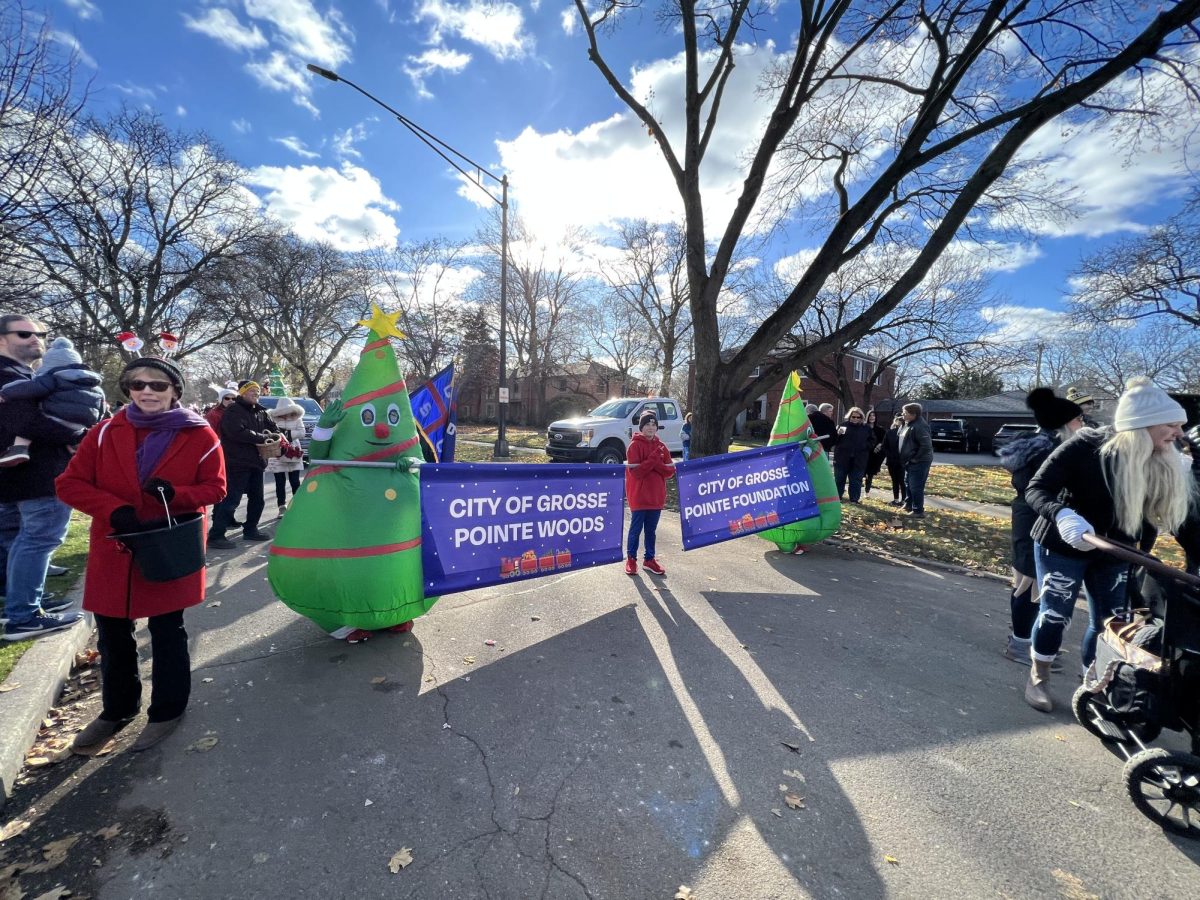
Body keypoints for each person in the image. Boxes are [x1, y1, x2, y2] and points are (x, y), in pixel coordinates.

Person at [57, 356, 225, 751]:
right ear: (128, 389)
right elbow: (69, 483)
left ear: (174, 392)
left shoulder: (200, 435)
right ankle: (117, 709)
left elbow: (216, 488)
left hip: (167, 545)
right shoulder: (104, 431)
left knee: (168, 631)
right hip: (116, 547)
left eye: (158, 385)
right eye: (137, 384)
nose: (147, 391)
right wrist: (111, 507)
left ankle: (167, 710)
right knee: (113, 635)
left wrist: (176, 495)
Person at [1023, 377, 1196, 712]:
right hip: (1064, 542)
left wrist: (1147, 553)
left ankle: (1094, 684)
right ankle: (1039, 676)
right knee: (1055, 613)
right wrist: (1061, 515)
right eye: (1172, 425)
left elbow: (1174, 522)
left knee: (1111, 622)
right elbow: (1037, 488)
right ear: (1142, 425)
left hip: (1116, 551)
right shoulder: (1086, 444)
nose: (1179, 433)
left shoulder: (1160, 458)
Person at [0, 315, 85, 640]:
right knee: (38, 540)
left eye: (40, 334)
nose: (36, 339)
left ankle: (19, 603)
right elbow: (28, 423)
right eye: (25, 334)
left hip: (23, 475)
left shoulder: (24, 376)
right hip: (35, 475)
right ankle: (24, 615)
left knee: (19, 540)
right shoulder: (8, 376)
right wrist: (76, 431)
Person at [998, 388, 1084, 668]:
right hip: (1033, 514)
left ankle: (1033, 640)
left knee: (1040, 581)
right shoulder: (1049, 448)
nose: (1082, 424)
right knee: (1028, 579)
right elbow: (1030, 485)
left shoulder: (1051, 444)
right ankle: (1020, 642)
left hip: (1045, 514)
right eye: (1077, 419)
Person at [0, 337, 104, 467]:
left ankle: (19, 449)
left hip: (54, 419)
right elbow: (101, 407)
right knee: (69, 429)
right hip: (79, 426)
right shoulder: (95, 385)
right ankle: (73, 445)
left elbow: (30, 388)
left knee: (28, 424)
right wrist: (93, 422)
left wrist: (5, 393)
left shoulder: (53, 378)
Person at [208, 380, 278, 550]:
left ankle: (251, 529)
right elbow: (236, 432)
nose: (256, 393)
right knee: (231, 499)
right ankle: (216, 535)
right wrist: (262, 437)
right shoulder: (233, 410)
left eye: (257, 391)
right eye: (252, 391)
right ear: (243, 393)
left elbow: (273, 428)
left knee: (257, 499)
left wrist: (278, 436)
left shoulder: (261, 412)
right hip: (237, 462)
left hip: (257, 461)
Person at [625, 409, 675, 577]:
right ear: (641, 427)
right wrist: (654, 459)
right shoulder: (634, 445)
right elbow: (637, 473)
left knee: (651, 531)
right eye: (647, 424)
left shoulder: (662, 446)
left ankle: (649, 559)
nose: (651, 427)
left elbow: (670, 471)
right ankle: (631, 559)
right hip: (639, 496)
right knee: (635, 529)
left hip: (656, 496)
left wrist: (655, 464)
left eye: (654, 424)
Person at [266, 397, 306, 515]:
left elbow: (302, 433)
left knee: (295, 480)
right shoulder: (272, 420)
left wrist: (287, 434)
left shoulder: (298, 419)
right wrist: (280, 436)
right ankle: (281, 506)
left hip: (293, 451)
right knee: (279, 481)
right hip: (277, 452)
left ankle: (297, 504)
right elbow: (270, 434)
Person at [898, 403, 933, 517]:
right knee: (908, 483)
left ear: (913, 414)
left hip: (919, 462)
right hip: (909, 461)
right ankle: (909, 504)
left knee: (915, 486)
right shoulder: (909, 423)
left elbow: (926, 446)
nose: (902, 414)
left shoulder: (920, 426)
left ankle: (918, 511)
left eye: (905, 412)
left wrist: (915, 459)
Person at [834, 407, 872, 503]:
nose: (855, 419)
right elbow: (835, 441)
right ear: (849, 416)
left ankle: (854, 499)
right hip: (842, 458)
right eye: (853, 417)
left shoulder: (866, 428)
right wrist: (837, 434)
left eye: (858, 417)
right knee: (839, 479)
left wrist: (864, 446)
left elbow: (872, 441)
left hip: (859, 459)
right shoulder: (843, 426)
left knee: (856, 480)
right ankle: (837, 497)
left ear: (861, 418)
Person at [882, 416, 906, 506]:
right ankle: (896, 499)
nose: (899, 423)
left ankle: (904, 500)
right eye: (898, 421)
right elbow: (884, 446)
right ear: (895, 422)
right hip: (891, 461)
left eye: (901, 421)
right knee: (894, 480)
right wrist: (889, 454)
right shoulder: (890, 432)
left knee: (902, 481)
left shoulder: (905, 432)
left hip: (902, 461)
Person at [863, 409, 887, 496]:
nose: (872, 417)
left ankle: (867, 491)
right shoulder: (863, 427)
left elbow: (884, 440)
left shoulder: (880, 429)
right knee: (861, 472)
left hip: (874, 455)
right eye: (870, 415)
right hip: (864, 453)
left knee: (870, 474)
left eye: (873, 415)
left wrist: (879, 445)